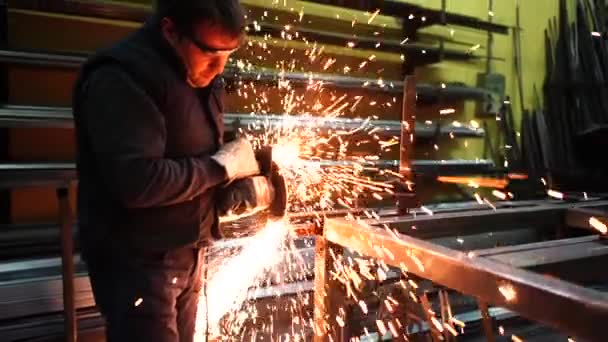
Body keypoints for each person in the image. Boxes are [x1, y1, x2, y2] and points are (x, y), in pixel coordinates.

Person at [72, 1, 268, 341]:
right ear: (170, 31)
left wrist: (231, 184)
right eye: (210, 54)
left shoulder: (201, 75)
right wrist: (219, 168)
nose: (220, 68)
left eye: (228, 55)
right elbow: (137, 182)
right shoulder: (121, 78)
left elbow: (189, 153)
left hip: (188, 251)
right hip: (138, 265)